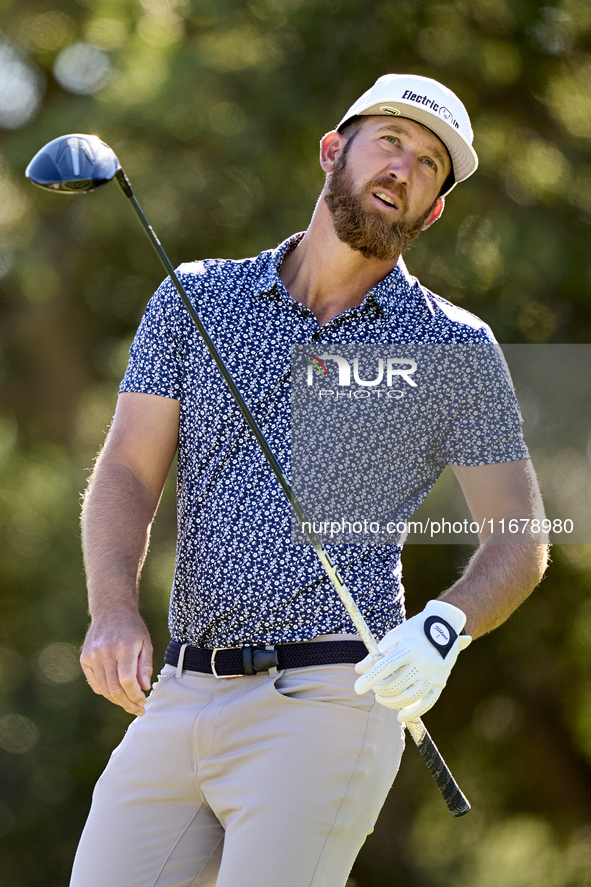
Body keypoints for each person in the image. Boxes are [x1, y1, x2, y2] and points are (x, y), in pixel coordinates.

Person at [71, 74, 548, 887]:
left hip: (329, 700)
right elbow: (124, 467)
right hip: (181, 691)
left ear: (433, 208)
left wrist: (442, 626)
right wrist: (112, 609)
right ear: (335, 151)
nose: (403, 168)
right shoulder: (197, 296)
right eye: (389, 141)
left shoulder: (454, 347)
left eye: (430, 164)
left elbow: (521, 539)